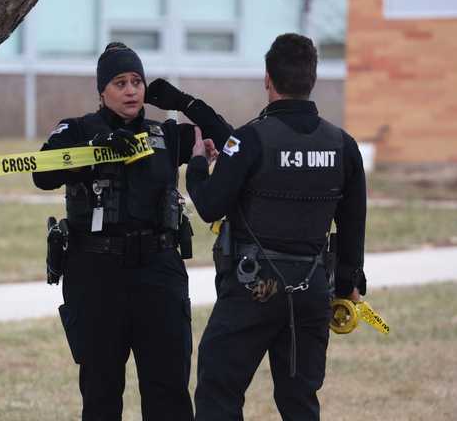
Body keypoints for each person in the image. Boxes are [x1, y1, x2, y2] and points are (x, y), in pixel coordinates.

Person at [32, 42, 230, 421]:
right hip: (95, 274)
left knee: (169, 390)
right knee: (101, 390)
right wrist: (94, 149)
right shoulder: (76, 130)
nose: (131, 90)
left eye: (137, 81)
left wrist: (184, 101)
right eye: (120, 82)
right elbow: (42, 173)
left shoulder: (166, 136)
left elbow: (230, 142)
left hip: (158, 273)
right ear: (102, 91)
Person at [185, 33, 367, 420]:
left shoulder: (248, 140)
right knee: (300, 402)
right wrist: (351, 281)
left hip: (254, 288)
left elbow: (208, 205)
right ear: (312, 78)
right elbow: (353, 226)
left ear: (268, 79)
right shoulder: (343, 145)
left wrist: (198, 166)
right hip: (312, 290)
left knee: (219, 390)